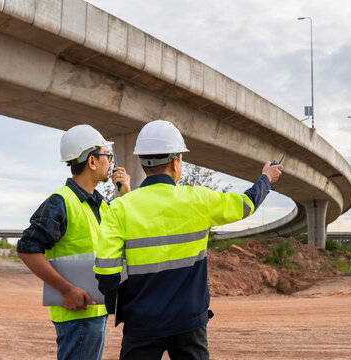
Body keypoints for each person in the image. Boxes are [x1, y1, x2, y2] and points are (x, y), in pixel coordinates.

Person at [94, 120, 283, 359]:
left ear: (142, 162)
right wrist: (266, 178)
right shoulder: (198, 200)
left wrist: (123, 307)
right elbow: (246, 204)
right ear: (175, 162)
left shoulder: (120, 207)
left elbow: (105, 271)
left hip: (141, 321)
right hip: (188, 320)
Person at [16, 124, 131, 360]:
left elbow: (131, 234)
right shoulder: (61, 202)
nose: (110, 162)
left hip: (95, 310)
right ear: (92, 161)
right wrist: (66, 289)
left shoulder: (101, 205)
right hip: (76, 314)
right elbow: (27, 248)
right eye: (106, 156)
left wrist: (125, 194)